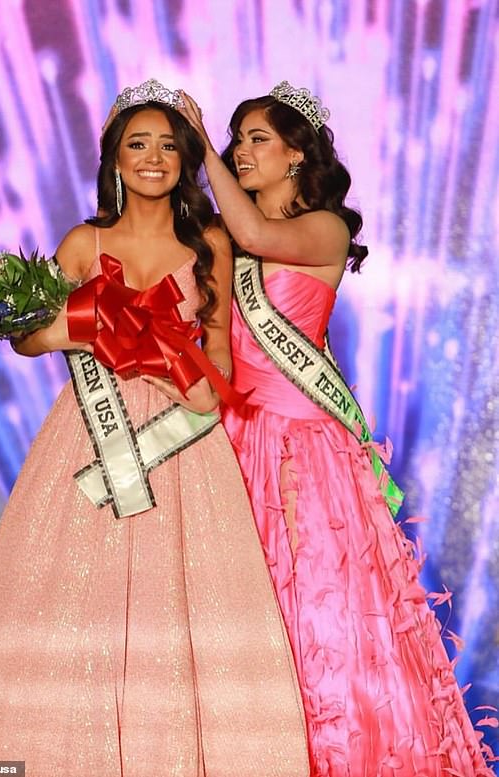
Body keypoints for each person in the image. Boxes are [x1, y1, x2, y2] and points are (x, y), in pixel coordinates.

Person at [0, 80, 310, 776]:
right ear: (115, 159)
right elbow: (29, 340)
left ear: (184, 158)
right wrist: (78, 325)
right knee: (76, 595)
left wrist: (195, 381)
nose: (154, 157)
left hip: (183, 437)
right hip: (90, 429)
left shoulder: (211, 241)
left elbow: (220, 349)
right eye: (138, 144)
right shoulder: (83, 240)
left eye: (167, 144)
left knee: (183, 602)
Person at [177, 84, 494, 775]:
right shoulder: (217, 234)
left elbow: (260, 236)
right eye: (235, 138)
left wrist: (201, 147)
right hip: (230, 440)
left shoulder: (325, 228)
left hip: (300, 449)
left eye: (257, 138)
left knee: (319, 608)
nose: (240, 150)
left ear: (297, 154)